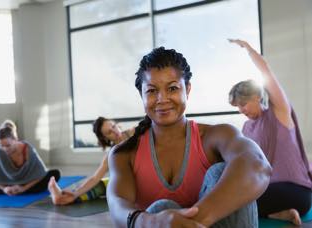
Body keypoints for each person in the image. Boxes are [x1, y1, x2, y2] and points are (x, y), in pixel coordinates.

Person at [107, 47, 272, 228]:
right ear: (142, 95)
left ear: (188, 89)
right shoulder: (124, 154)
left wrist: (196, 221)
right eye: (152, 91)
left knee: (221, 172)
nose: (162, 99)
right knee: (161, 209)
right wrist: (151, 222)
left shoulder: (214, 136)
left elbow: (257, 165)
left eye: (172, 88)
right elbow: (117, 206)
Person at [228, 39, 312, 226]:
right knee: (232, 198)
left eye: (243, 104)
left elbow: (267, 72)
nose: (241, 110)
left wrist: (248, 49)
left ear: (257, 97)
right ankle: (283, 214)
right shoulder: (246, 128)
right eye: (237, 107)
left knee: (234, 202)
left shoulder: (279, 113)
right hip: (267, 193)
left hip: (296, 191)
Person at [48, 117, 134, 205]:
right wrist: (75, 193)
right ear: (105, 138)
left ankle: (63, 197)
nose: (115, 131)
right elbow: (95, 178)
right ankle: (62, 197)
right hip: (129, 184)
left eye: (113, 126)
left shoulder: (134, 132)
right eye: (109, 132)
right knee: (101, 185)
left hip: (143, 179)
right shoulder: (111, 155)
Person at [0, 120, 60, 195]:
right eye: (2, 146)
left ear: (16, 139)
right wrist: (4, 189)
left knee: (54, 174)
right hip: (7, 183)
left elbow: (41, 173)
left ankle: (21, 191)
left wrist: (23, 188)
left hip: (27, 182)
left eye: (8, 145)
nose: (5, 149)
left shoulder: (28, 149)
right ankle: (12, 191)